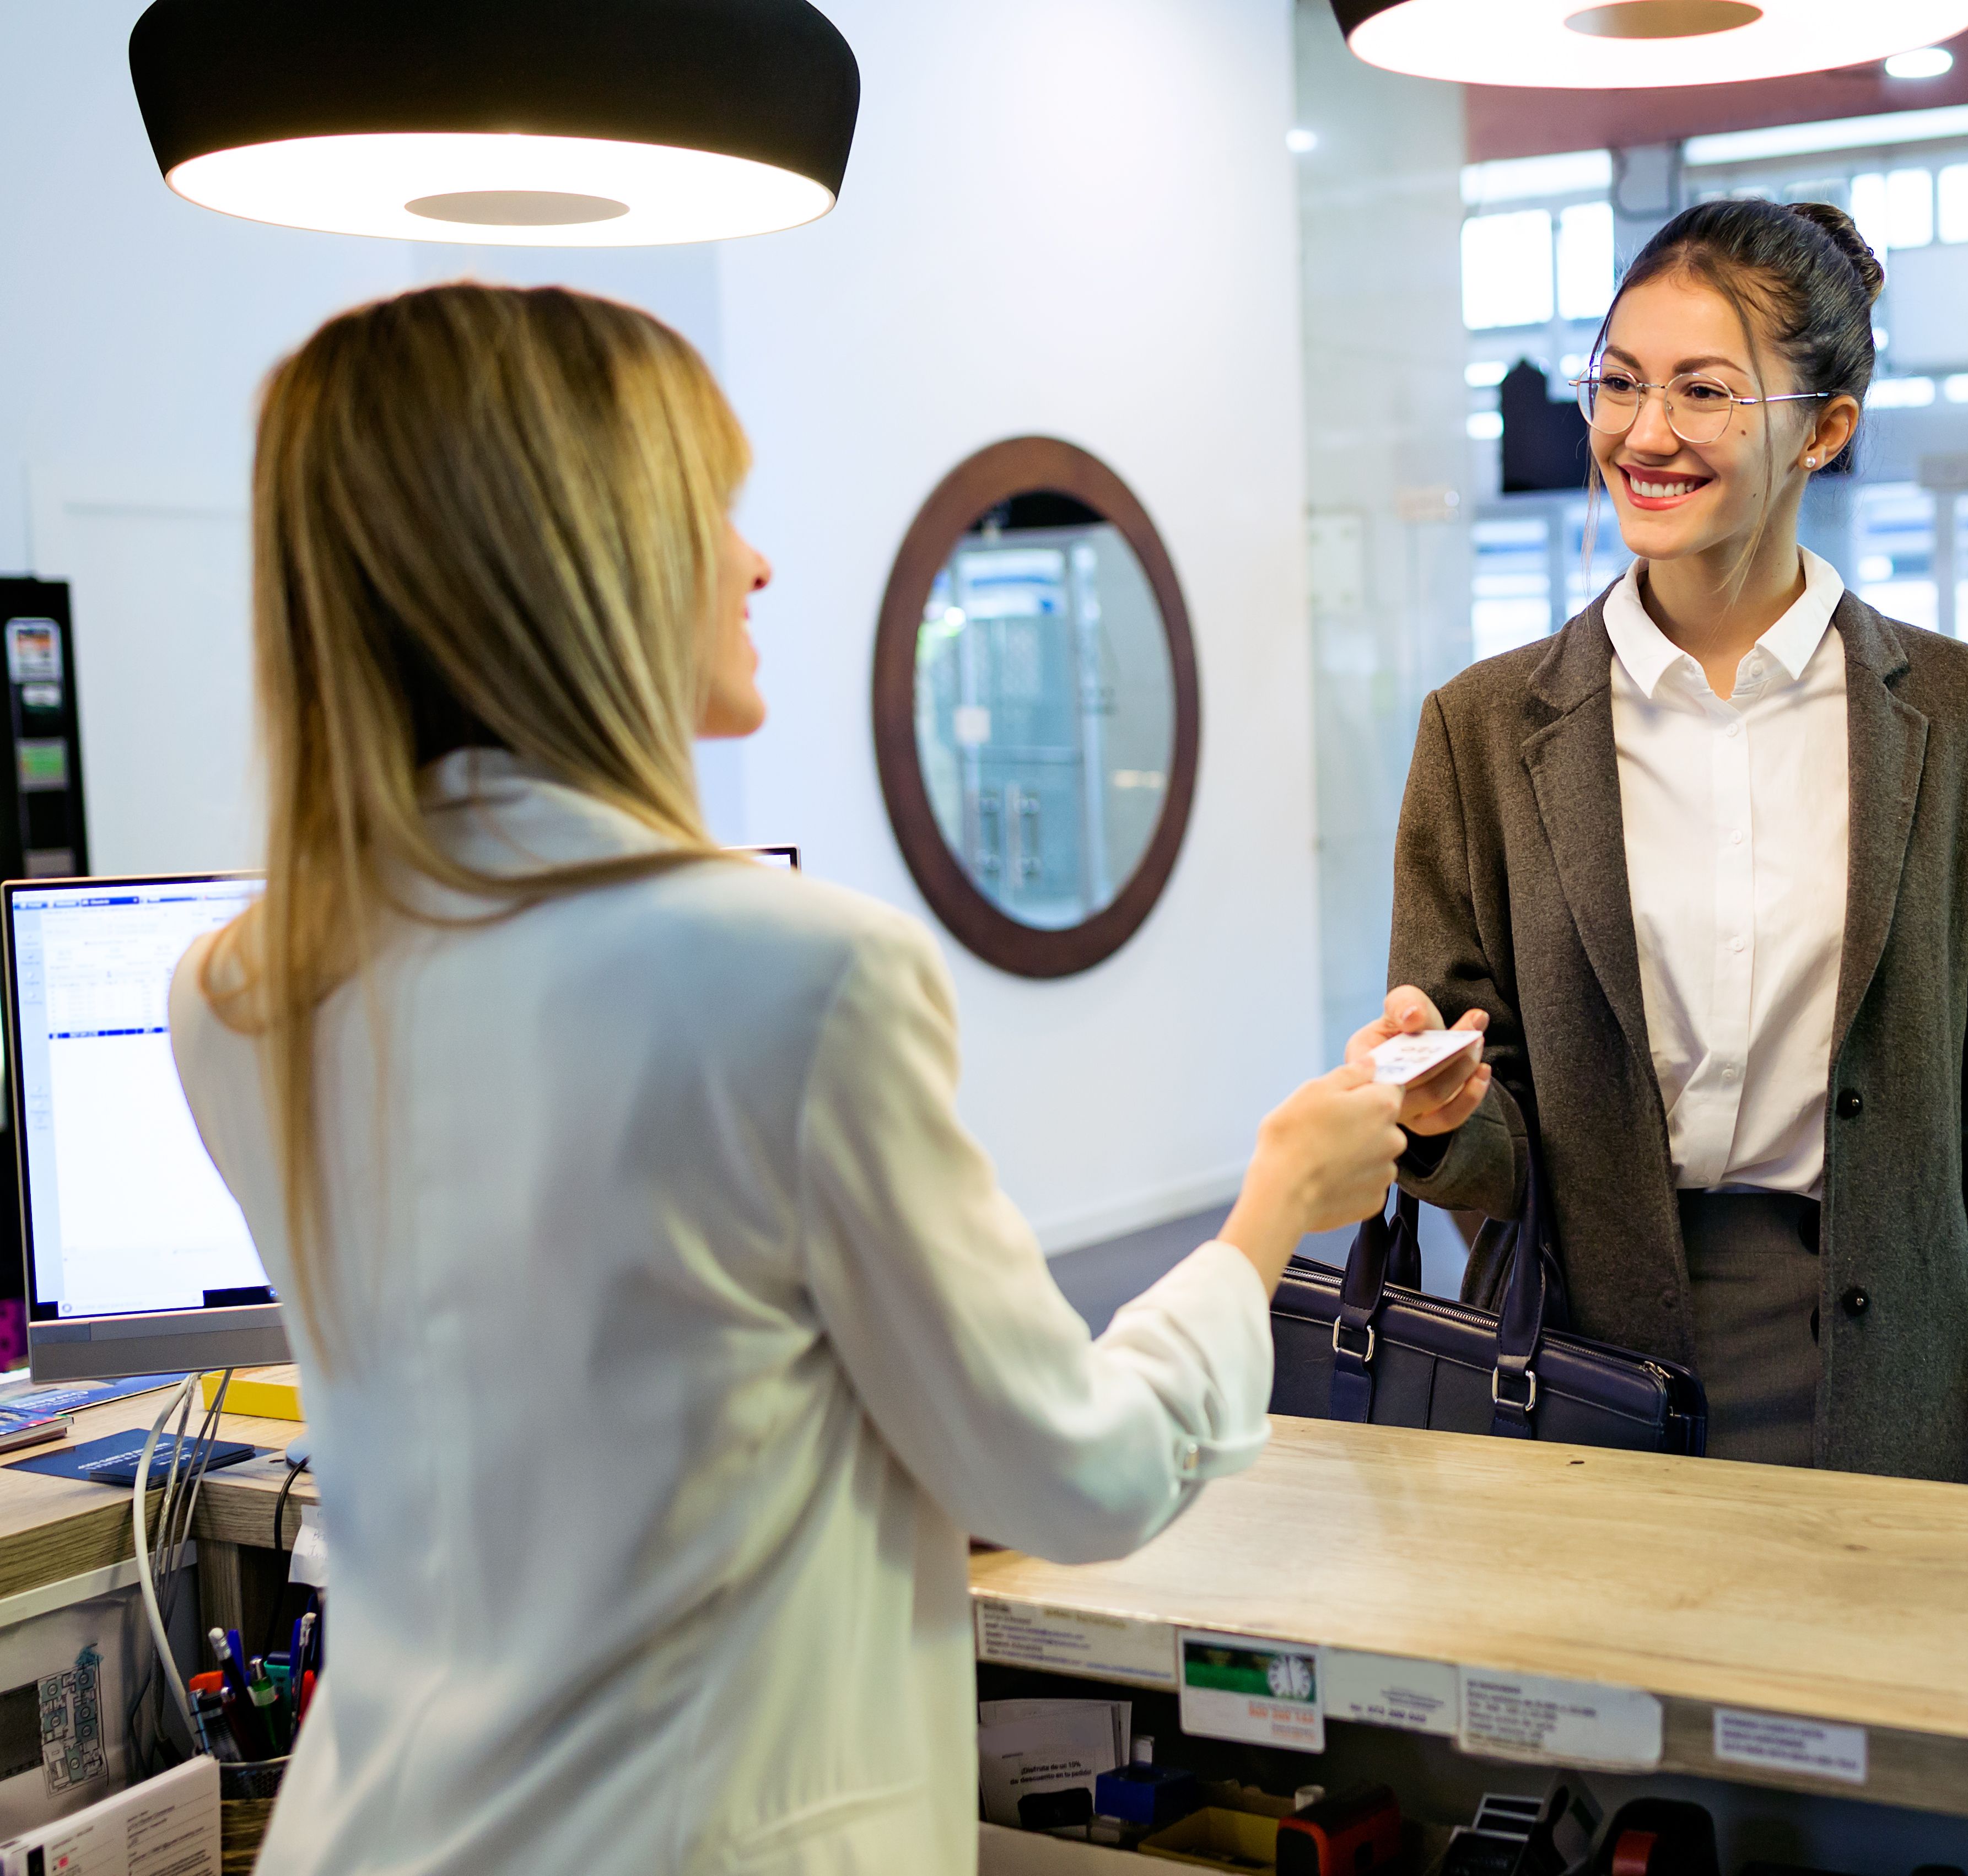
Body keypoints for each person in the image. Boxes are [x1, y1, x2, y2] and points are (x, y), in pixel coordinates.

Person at [171, 283, 1405, 1874]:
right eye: (710, 510)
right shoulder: (793, 974)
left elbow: (621, 1410)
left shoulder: (239, 992)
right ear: (576, 570)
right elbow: (1080, 1470)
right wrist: (1274, 1206)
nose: (754, 559)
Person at [1356, 199, 1968, 1486]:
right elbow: (1491, 1126)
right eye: (1618, 383)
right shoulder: (1484, 728)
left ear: (1826, 431)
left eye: (1704, 391)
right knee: (1597, 1697)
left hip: (1877, 1375)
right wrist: (1443, 1113)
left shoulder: (1961, 717)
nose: (1645, 433)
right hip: (1568, 1370)